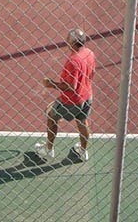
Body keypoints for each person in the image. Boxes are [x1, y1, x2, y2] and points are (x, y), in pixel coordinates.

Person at [34, 28, 95, 162]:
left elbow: (70, 87)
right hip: (87, 96)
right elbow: (92, 73)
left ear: (72, 42)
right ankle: (83, 151)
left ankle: (48, 149)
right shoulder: (89, 53)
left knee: (51, 115)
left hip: (72, 100)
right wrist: (84, 86)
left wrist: (51, 84)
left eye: (68, 39)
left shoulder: (73, 61)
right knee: (82, 121)